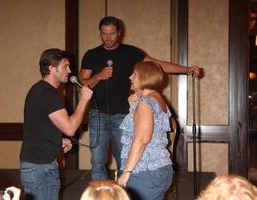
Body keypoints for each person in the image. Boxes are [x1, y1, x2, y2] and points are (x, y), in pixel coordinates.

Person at [78, 16, 201, 180]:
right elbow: (81, 82)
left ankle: (124, 194)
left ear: (119, 33)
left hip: (123, 115)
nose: (107, 38)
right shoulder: (92, 55)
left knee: (126, 159)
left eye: (112, 33)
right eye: (104, 34)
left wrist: (185, 69)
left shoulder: (131, 52)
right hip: (97, 115)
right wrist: (99, 76)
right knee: (97, 161)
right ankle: (101, 196)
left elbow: (157, 65)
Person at [19, 48, 93, 200]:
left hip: (36, 165)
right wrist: (84, 99)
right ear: (51, 68)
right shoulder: (48, 93)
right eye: (65, 66)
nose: (70, 70)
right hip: (40, 168)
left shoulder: (39, 89)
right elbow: (70, 128)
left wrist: (56, 140)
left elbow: (38, 127)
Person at [117, 61, 173, 200]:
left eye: (134, 74)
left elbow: (142, 140)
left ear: (144, 77)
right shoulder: (157, 99)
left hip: (144, 171)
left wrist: (127, 172)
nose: (130, 77)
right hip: (159, 169)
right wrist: (133, 107)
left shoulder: (146, 102)